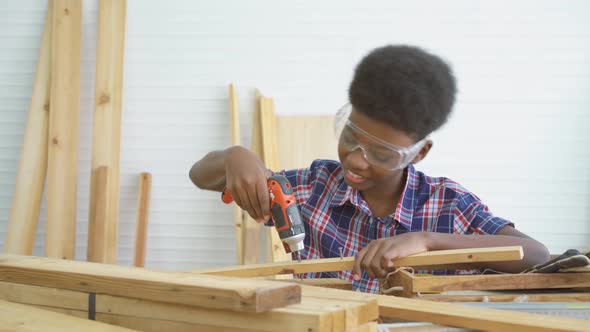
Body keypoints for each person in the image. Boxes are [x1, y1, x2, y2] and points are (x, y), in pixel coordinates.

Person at [189, 45, 550, 293]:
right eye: (350, 137)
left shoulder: (448, 205)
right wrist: (235, 157)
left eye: (381, 154)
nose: (357, 160)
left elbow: (536, 255)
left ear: (419, 153)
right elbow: (200, 175)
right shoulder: (314, 189)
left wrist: (427, 241)